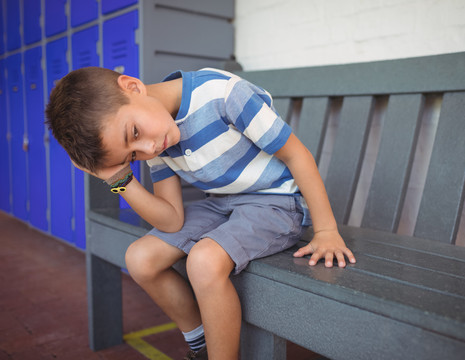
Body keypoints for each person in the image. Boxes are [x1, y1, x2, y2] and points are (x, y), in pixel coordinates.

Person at [46, 66, 356, 360]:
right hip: (223, 203)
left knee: (204, 261)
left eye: (135, 133)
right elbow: (171, 220)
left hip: (275, 202)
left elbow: (296, 154)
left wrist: (326, 231)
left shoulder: (223, 95)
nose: (149, 149)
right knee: (139, 259)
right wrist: (117, 179)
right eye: (132, 155)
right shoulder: (157, 138)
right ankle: (201, 344)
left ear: (133, 87)